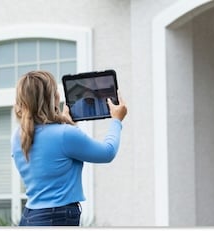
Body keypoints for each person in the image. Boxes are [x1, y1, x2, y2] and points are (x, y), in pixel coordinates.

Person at [11, 70, 127, 226]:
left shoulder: (18, 136)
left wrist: (64, 124)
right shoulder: (64, 135)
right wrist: (116, 120)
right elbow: (107, 152)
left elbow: (50, 155)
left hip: (29, 217)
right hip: (56, 218)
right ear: (54, 98)